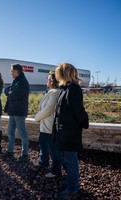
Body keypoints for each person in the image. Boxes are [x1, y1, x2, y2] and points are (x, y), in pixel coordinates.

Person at [52, 63, 89, 199]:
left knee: (70, 161)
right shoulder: (66, 89)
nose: (56, 76)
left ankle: (72, 191)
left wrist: (85, 123)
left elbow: (79, 111)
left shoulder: (73, 89)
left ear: (64, 74)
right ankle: (71, 182)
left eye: (58, 73)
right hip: (64, 132)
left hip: (69, 133)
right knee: (65, 159)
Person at [1, 64, 30, 162]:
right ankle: (10, 151)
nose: (11, 73)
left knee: (22, 133)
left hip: (19, 112)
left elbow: (13, 96)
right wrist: (9, 92)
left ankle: (25, 154)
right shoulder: (16, 81)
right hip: (13, 111)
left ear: (17, 71)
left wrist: (10, 93)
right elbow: (6, 90)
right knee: (10, 131)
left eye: (12, 71)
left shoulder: (23, 82)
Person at [34, 71, 61, 175]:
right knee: (43, 146)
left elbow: (49, 109)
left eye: (49, 79)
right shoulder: (50, 92)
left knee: (53, 150)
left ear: (54, 81)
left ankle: (55, 171)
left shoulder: (55, 93)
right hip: (44, 125)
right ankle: (43, 163)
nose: (47, 81)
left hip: (50, 125)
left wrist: (37, 117)